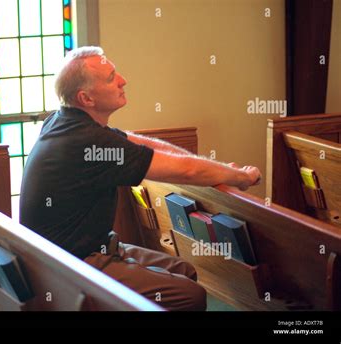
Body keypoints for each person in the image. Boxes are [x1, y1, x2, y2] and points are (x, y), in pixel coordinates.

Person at [19, 46, 261, 311]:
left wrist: (218, 167)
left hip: (84, 251)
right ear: (86, 98)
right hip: (72, 265)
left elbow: (148, 147)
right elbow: (187, 172)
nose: (123, 80)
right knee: (190, 296)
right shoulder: (89, 143)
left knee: (184, 270)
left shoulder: (63, 120)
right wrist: (239, 176)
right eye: (111, 77)